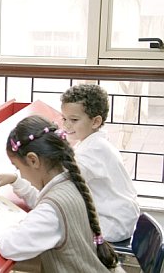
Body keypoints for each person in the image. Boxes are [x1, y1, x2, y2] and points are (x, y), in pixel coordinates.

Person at [0, 115, 121, 273]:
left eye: (18, 168)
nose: (21, 174)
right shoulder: (71, 181)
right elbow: (44, 202)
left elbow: (9, 246)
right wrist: (16, 181)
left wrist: (5, 224)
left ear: (33, 160)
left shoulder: (51, 211)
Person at [60, 83, 140, 243]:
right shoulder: (95, 143)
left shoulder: (92, 152)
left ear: (95, 122)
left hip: (112, 224)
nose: (66, 125)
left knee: (56, 233)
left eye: (73, 120)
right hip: (121, 218)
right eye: (64, 118)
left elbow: (62, 182)